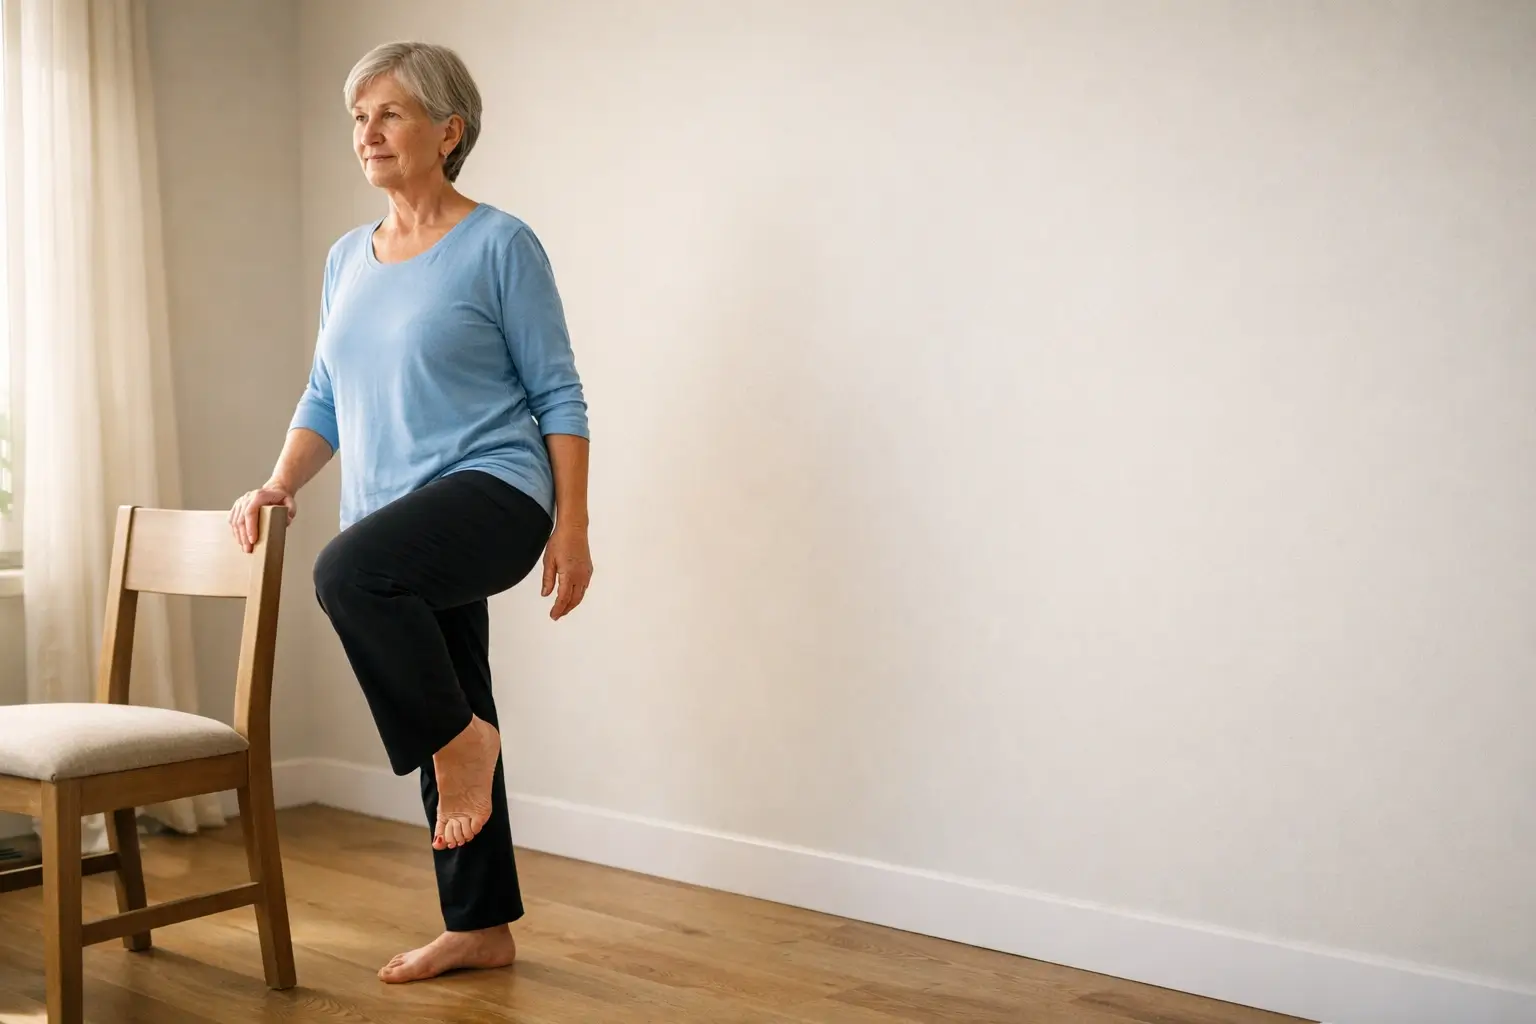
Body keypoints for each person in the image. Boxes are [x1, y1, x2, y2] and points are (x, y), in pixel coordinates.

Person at [227, 40, 592, 984]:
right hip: (401, 510)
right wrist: (279, 482)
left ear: (448, 130)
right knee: (451, 691)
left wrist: (573, 524)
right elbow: (326, 393)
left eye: (388, 114)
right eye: (358, 117)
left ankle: (463, 747)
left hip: (495, 491)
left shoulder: (499, 243)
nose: (367, 133)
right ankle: (480, 924)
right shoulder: (348, 257)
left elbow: (559, 394)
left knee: (349, 574)